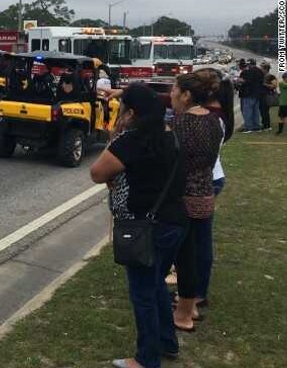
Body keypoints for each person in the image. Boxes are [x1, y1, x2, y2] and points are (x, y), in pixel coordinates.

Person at [90, 83, 186, 368]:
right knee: (156, 284)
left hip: (145, 226)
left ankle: (146, 359)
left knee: (143, 293)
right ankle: (167, 342)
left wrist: (113, 135)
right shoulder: (169, 134)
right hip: (175, 221)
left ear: (131, 112)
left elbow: (97, 173)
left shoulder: (131, 140)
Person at [170, 72, 224, 333]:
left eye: (174, 90)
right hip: (205, 191)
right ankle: (194, 301)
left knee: (184, 256)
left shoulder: (181, 123)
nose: (171, 94)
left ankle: (185, 309)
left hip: (184, 195)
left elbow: (175, 161)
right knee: (201, 248)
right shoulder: (215, 122)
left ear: (186, 95)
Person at [238, 59, 263, 133]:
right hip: (257, 93)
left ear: (249, 64)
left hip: (249, 93)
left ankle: (248, 127)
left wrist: (240, 80)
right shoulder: (259, 71)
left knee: (247, 111)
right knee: (256, 111)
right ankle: (256, 126)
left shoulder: (249, 71)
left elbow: (248, 81)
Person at [258, 62, 273, 131]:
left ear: (266, 69)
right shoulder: (261, 76)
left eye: (261, 68)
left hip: (266, 96)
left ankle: (267, 126)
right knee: (262, 111)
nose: (260, 69)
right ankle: (264, 124)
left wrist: (264, 84)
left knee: (265, 111)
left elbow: (274, 86)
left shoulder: (270, 76)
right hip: (261, 95)